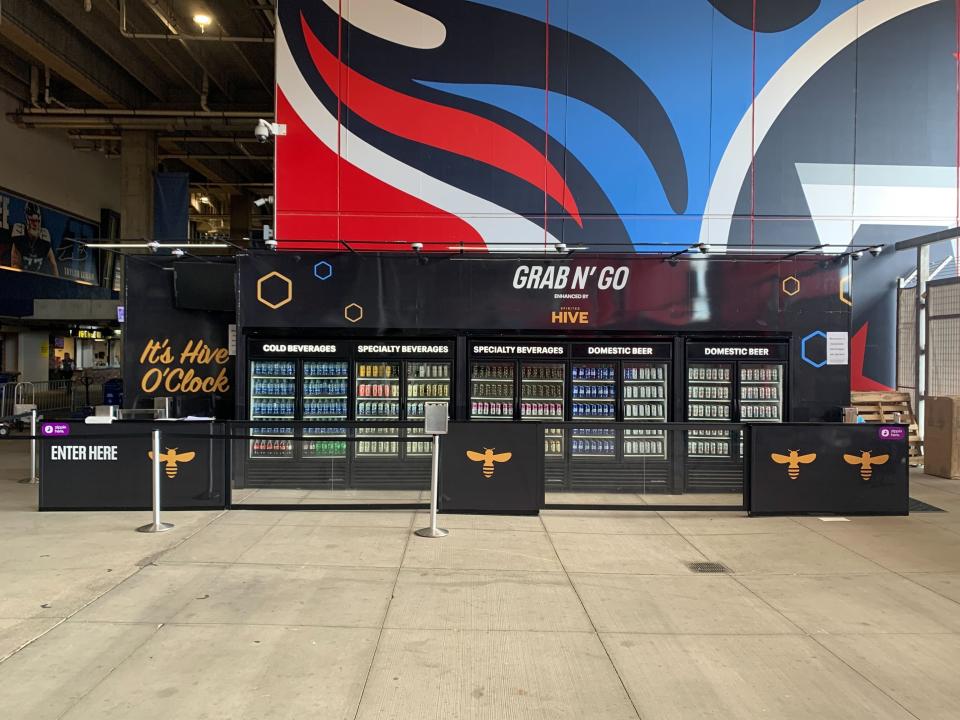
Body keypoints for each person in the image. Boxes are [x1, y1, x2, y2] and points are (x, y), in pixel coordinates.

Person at [11, 202, 58, 276]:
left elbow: (53, 264)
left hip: (37, 281)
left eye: (37, 221)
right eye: (32, 221)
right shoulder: (19, 236)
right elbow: (15, 263)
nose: (35, 224)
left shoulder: (44, 239)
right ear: (27, 219)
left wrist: (56, 283)